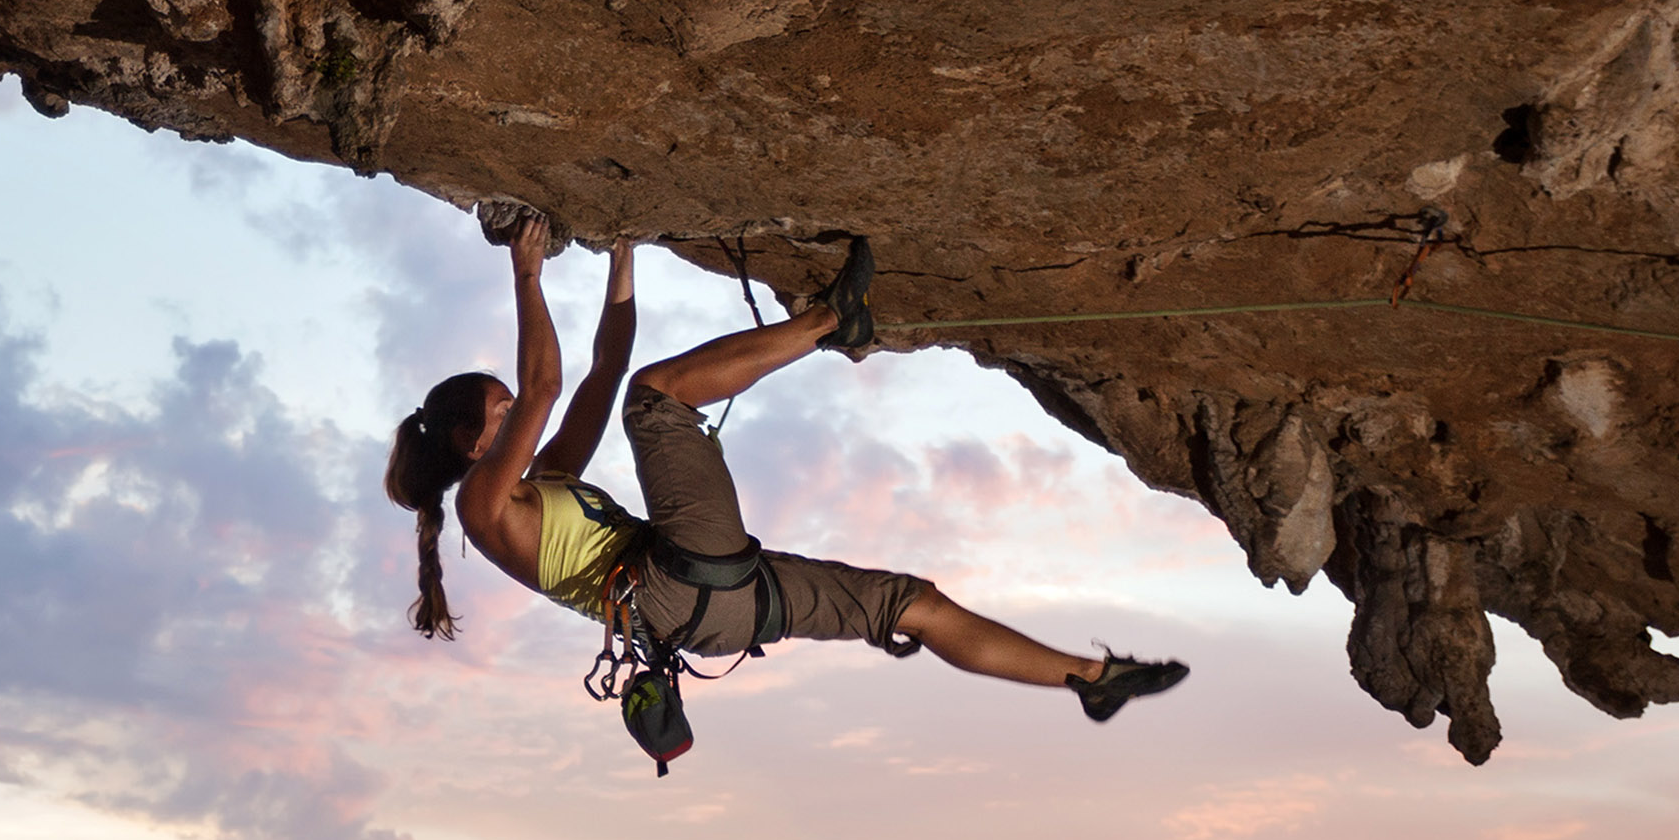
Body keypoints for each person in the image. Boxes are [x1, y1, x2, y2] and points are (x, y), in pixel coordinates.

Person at [383, 215, 1189, 722]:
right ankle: (834, 319)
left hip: (716, 612)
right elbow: (549, 385)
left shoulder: (541, 483)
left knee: (914, 605)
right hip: (674, 583)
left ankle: (1090, 676)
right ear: (466, 443)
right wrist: (525, 275)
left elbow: (600, 370)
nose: (516, 414)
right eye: (497, 412)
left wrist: (623, 248)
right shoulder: (484, 510)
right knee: (655, 401)